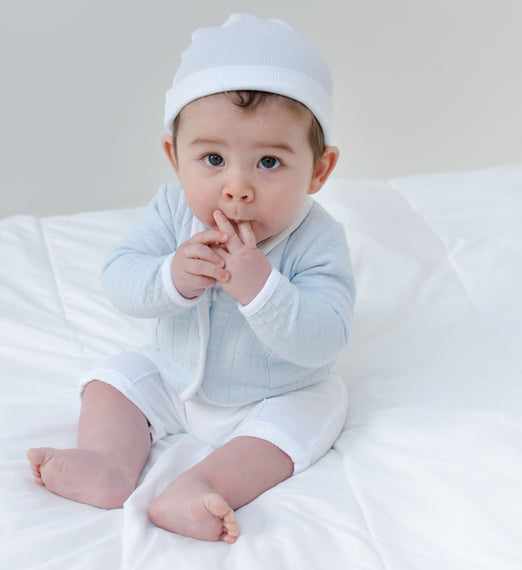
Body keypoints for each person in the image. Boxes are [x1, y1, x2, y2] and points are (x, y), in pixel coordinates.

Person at [27, 13, 355, 544]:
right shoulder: (172, 211)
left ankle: (201, 484)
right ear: (174, 159)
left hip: (277, 392)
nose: (237, 187)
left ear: (319, 170)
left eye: (269, 161)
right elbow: (120, 277)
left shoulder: (318, 238)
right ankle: (108, 462)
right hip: (175, 376)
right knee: (112, 380)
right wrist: (171, 277)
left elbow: (328, 335)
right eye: (212, 158)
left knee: (312, 416)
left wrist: (261, 288)